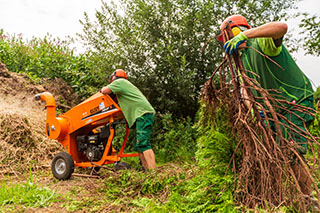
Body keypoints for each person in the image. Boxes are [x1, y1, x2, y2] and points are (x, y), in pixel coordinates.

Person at [218, 15, 315, 198]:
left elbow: (281, 27)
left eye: (229, 35)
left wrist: (245, 36)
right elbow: (246, 90)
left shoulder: (261, 43)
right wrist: (254, 108)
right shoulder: (243, 61)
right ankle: (283, 197)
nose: (227, 42)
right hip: (274, 110)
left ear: (238, 30)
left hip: (296, 100)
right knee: (275, 153)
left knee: (292, 150)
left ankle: (308, 200)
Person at [100, 69, 156, 170]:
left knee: (143, 143)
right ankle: (146, 169)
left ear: (114, 78)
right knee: (139, 145)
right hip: (143, 113)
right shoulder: (126, 85)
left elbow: (104, 91)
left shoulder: (119, 82)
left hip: (143, 114)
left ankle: (153, 172)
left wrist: (102, 89)